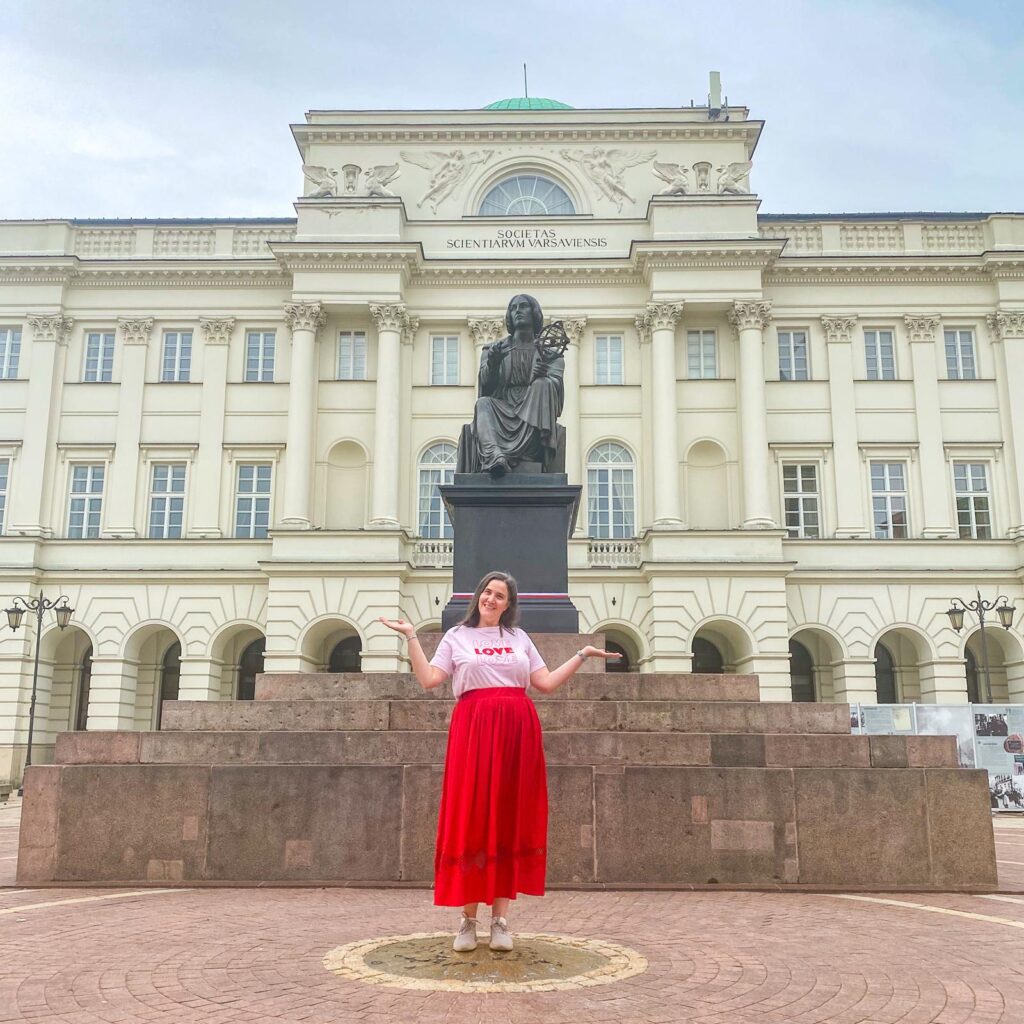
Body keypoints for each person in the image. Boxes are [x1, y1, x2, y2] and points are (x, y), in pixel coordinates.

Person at [379, 570, 619, 953]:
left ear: (509, 605)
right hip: (474, 729)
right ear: (478, 596)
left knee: (509, 815)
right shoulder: (456, 637)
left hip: (516, 730)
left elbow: (544, 683)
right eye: (487, 593)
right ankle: (467, 921)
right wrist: (410, 636)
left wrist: (581, 655)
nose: (491, 599)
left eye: (500, 596)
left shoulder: (518, 638)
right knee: (471, 814)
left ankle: (501, 920)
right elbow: (428, 679)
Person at [457, 294, 564, 476]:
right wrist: (493, 363)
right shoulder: (495, 349)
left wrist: (542, 375)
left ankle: (524, 453)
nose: (518, 311)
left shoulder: (549, 352)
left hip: (533, 414)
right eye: (513, 308)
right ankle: (495, 457)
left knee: (543, 385)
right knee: (483, 404)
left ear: (534, 313)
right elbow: (486, 387)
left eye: (523, 307)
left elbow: (556, 389)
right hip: (503, 410)